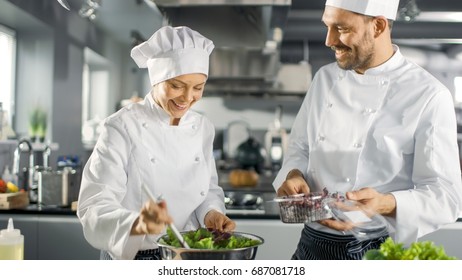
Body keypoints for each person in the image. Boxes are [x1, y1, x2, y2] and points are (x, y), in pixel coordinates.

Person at [273, 0, 462, 260]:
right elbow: (300, 148)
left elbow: (446, 196)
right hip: (312, 243)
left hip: (377, 248)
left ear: (378, 25)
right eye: (328, 27)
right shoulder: (324, 79)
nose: (329, 40)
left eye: (341, 28)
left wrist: (383, 203)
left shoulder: (428, 94)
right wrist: (293, 175)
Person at [77, 26, 236, 260]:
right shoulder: (122, 126)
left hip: (186, 252)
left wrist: (211, 213)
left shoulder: (203, 128)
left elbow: (208, 189)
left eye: (198, 88)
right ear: (156, 79)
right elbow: (94, 206)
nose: (187, 97)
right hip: (135, 256)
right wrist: (139, 223)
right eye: (176, 85)